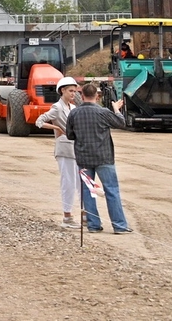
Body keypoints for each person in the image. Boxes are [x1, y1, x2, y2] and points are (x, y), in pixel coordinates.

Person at [65, 83, 132, 234]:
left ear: (81, 96)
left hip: (84, 158)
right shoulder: (103, 112)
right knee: (111, 190)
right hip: (104, 157)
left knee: (89, 192)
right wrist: (116, 109)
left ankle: (93, 225)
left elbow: (70, 135)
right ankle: (119, 226)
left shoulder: (74, 114)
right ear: (97, 95)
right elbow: (121, 123)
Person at [35, 77, 83, 229]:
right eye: (70, 91)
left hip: (76, 149)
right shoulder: (57, 107)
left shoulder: (73, 108)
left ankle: (86, 214)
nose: (73, 94)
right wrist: (57, 129)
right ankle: (67, 216)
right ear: (62, 90)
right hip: (64, 150)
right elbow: (39, 121)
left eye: (75, 91)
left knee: (80, 182)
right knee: (68, 182)